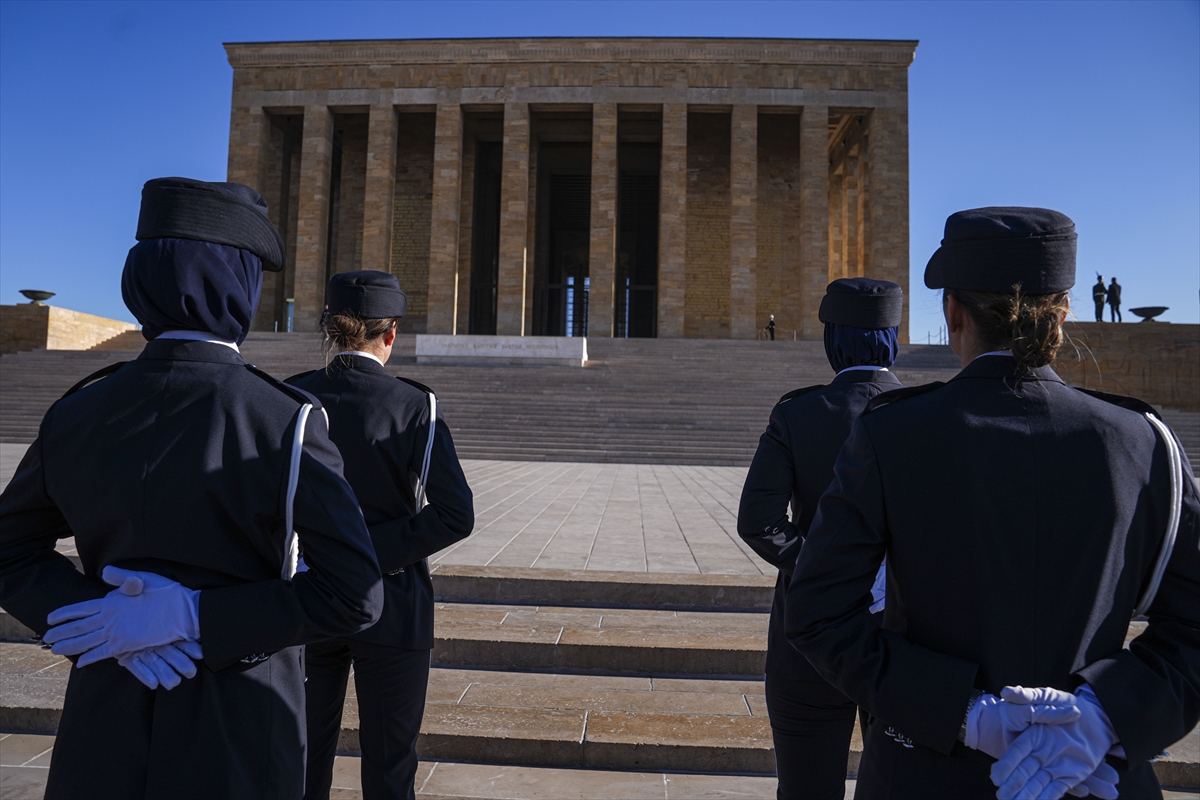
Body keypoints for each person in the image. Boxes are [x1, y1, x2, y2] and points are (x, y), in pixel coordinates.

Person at [786, 207, 1200, 799]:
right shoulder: (1141, 442)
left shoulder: (891, 435)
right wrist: (1106, 714)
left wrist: (965, 712)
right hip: (1094, 779)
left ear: (953, 313)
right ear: (1062, 313)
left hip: (924, 776)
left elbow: (818, 613)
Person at [0, 177, 384, 799]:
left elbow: (9, 551)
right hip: (239, 727)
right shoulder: (281, 420)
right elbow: (354, 594)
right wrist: (196, 616)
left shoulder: (77, 411)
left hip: (106, 713)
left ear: (139, 280)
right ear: (241, 285)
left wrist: (107, 623)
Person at [288, 271, 475, 800]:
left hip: (307, 598)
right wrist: (370, 553)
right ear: (390, 333)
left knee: (300, 760)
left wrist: (324, 554)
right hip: (391, 601)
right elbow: (455, 514)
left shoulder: (292, 397)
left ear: (329, 326)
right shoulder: (414, 406)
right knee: (391, 767)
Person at [738, 278, 903, 800]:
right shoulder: (927, 414)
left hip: (809, 634)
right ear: (893, 338)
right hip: (903, 637)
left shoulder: (798, 413)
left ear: (833, 341)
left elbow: (759, 520)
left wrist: (829, 571)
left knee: (807, 788)